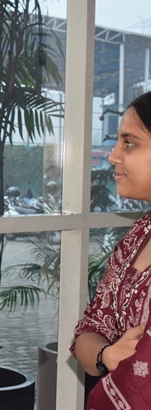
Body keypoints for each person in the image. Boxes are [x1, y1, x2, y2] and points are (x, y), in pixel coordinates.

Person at [72, 91, 151, 409]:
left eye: (129, 143)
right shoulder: (137, 236)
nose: (113, 156)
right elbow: (89, 329)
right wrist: (107, 355)